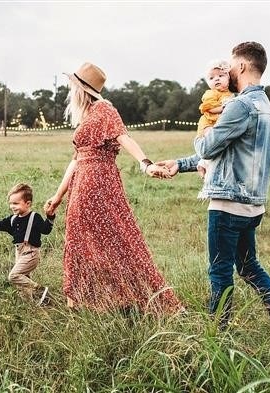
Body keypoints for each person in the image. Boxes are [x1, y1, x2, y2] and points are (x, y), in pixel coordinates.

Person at [157, 42, 270, 337]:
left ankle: (216, 334)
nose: (227, 71)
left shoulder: (239, 105)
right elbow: (227, 151)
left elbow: (208, 146)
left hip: (228, 204)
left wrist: (202, 133)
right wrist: (180, 164)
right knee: (249, 267)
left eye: (231, 66)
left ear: (243, 67)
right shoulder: (264, 105)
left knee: (220, 270)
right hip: (252, 205)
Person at [43, 62, 182, 314]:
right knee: (79, 241)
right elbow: (75, 160)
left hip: (98, 182)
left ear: (81, 89)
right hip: (81, 183)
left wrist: (145, 164)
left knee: (117, 239)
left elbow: (123, 136)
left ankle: (133, 296)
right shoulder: (86, 116)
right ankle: (81, 300)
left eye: (72, 87)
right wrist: (58, 196)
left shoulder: (104, 109)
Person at [0, 183, 54, 305]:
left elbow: (46, 230)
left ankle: (40, 290)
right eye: (11, 203)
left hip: (31, 253)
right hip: (19, 253)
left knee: (14, 276)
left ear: (28, 203)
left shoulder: (34, 217)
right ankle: (32, 304)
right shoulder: (13, 219)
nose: (12, 206)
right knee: (23, 284)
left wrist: (50, 217)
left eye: (16, 203)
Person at [195, 60, 235, 178]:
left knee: (219, 145)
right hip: (208, 122)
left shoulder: (230, 94)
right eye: (212, 78)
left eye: (220, 76)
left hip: (217, 123)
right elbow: (208, 107)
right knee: (212, 141)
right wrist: (223, 108)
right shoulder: (210, 93)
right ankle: (205, 166)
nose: (216, 79)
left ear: (228, 78)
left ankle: (203, 163)